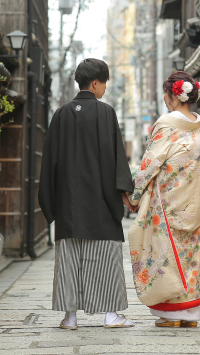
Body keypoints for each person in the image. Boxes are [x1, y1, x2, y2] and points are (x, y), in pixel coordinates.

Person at [39, 58, 136, 330]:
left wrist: (51, 202)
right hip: (100, 203)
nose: (105, 88)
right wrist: (123, 193)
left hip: (68, 206)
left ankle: (70, 317)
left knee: (69, 260)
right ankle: (110, 316)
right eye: (104, 82)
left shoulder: (60, 115)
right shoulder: (105, 113)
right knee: (105, 259)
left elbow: (50, 162)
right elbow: (114, 158)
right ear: (95, 83)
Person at [127, 71, 200, 328]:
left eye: (166, 95)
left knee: (166, 254)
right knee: (189, 253)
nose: (165, 100)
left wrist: (135, 194)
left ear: (173, 96)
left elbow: (150, 163)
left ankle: (173, 314)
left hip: (167, 200)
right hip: (195, 201)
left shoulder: (166, 124)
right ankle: (191, 315)